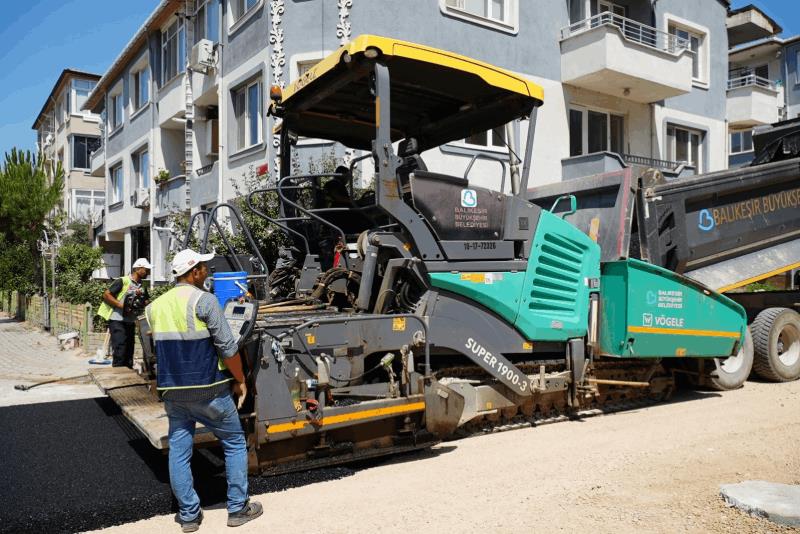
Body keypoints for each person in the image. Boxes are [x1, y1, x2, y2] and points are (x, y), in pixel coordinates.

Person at [145, 249, 262, 532]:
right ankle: (237, 509)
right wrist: (240, 379)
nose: (208, 271)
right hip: (209, 389)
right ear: (193, 271)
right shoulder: (205, 301)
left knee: (179, 450)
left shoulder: (154, 307)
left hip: (172, 391)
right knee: (234, 442)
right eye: (204, 267)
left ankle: (188, 516)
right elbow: (228, 347)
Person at [97, 258, 152, 368]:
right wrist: (122, 305)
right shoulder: (123, 281)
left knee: (129, 350)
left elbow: (146, 301)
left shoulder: (142, 286)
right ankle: (118, 377)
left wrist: (142, 302)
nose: (148, 272)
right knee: (120, 349)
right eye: (146, 270)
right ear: (137, 269)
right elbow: (106, 295)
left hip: (130, 321)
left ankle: (129, 376)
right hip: (117, 320)